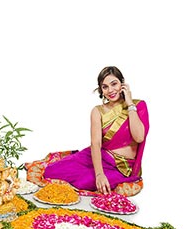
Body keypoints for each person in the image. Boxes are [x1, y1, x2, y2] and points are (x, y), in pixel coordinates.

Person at [43, 66, 149, 194]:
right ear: (101, 90)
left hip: (121, 167)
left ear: (122, 83)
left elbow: (139, 137)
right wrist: (99, 174)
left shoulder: (138, 105)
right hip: (98, 156)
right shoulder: (98, 111)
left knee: (85, 182)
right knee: (51, 171)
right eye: (105, 87)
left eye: (114, 84)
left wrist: (129, 103)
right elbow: (96, 144)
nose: (110, 90)